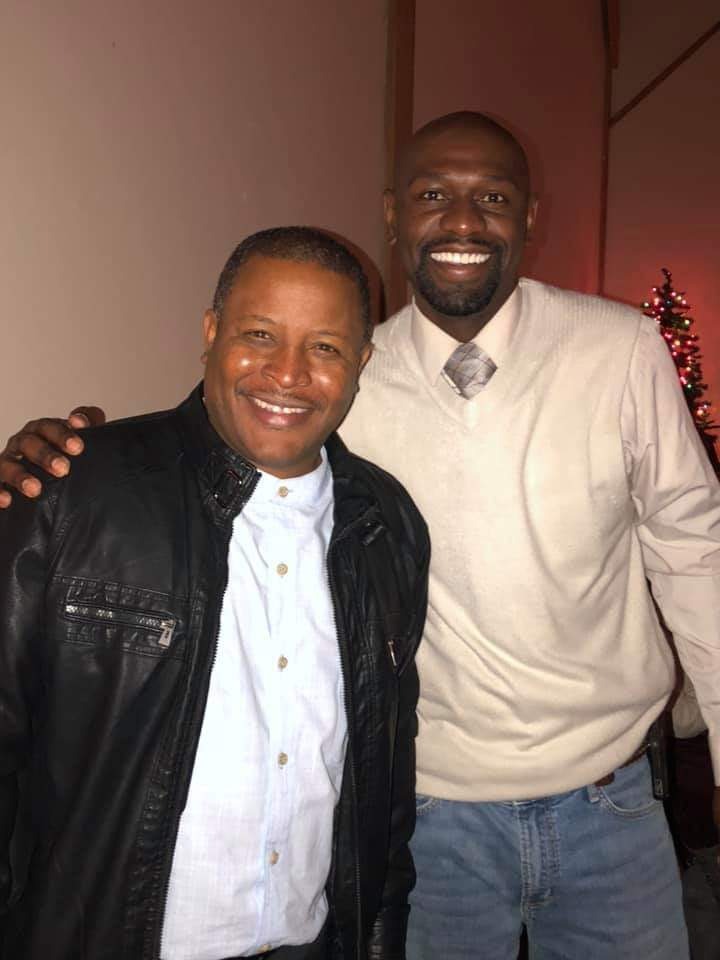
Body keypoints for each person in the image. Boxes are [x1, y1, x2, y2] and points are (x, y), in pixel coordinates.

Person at [3, 111, 719, 959]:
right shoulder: (346, 373)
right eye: (433, 195)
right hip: (433, 818)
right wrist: (66, 460)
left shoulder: (621, 350)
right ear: (393, 213)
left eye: (492, 198)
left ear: (530, 216)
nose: (462, 221)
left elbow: (696, 552)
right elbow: (224, 432)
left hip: (609, 800)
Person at [0, 226, 430, 959]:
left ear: (360, 363)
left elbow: (383, 788)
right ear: (210, 333)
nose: (287, 373)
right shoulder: (78, 492)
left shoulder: (386, 526)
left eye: (325, 347)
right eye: (259, 335)